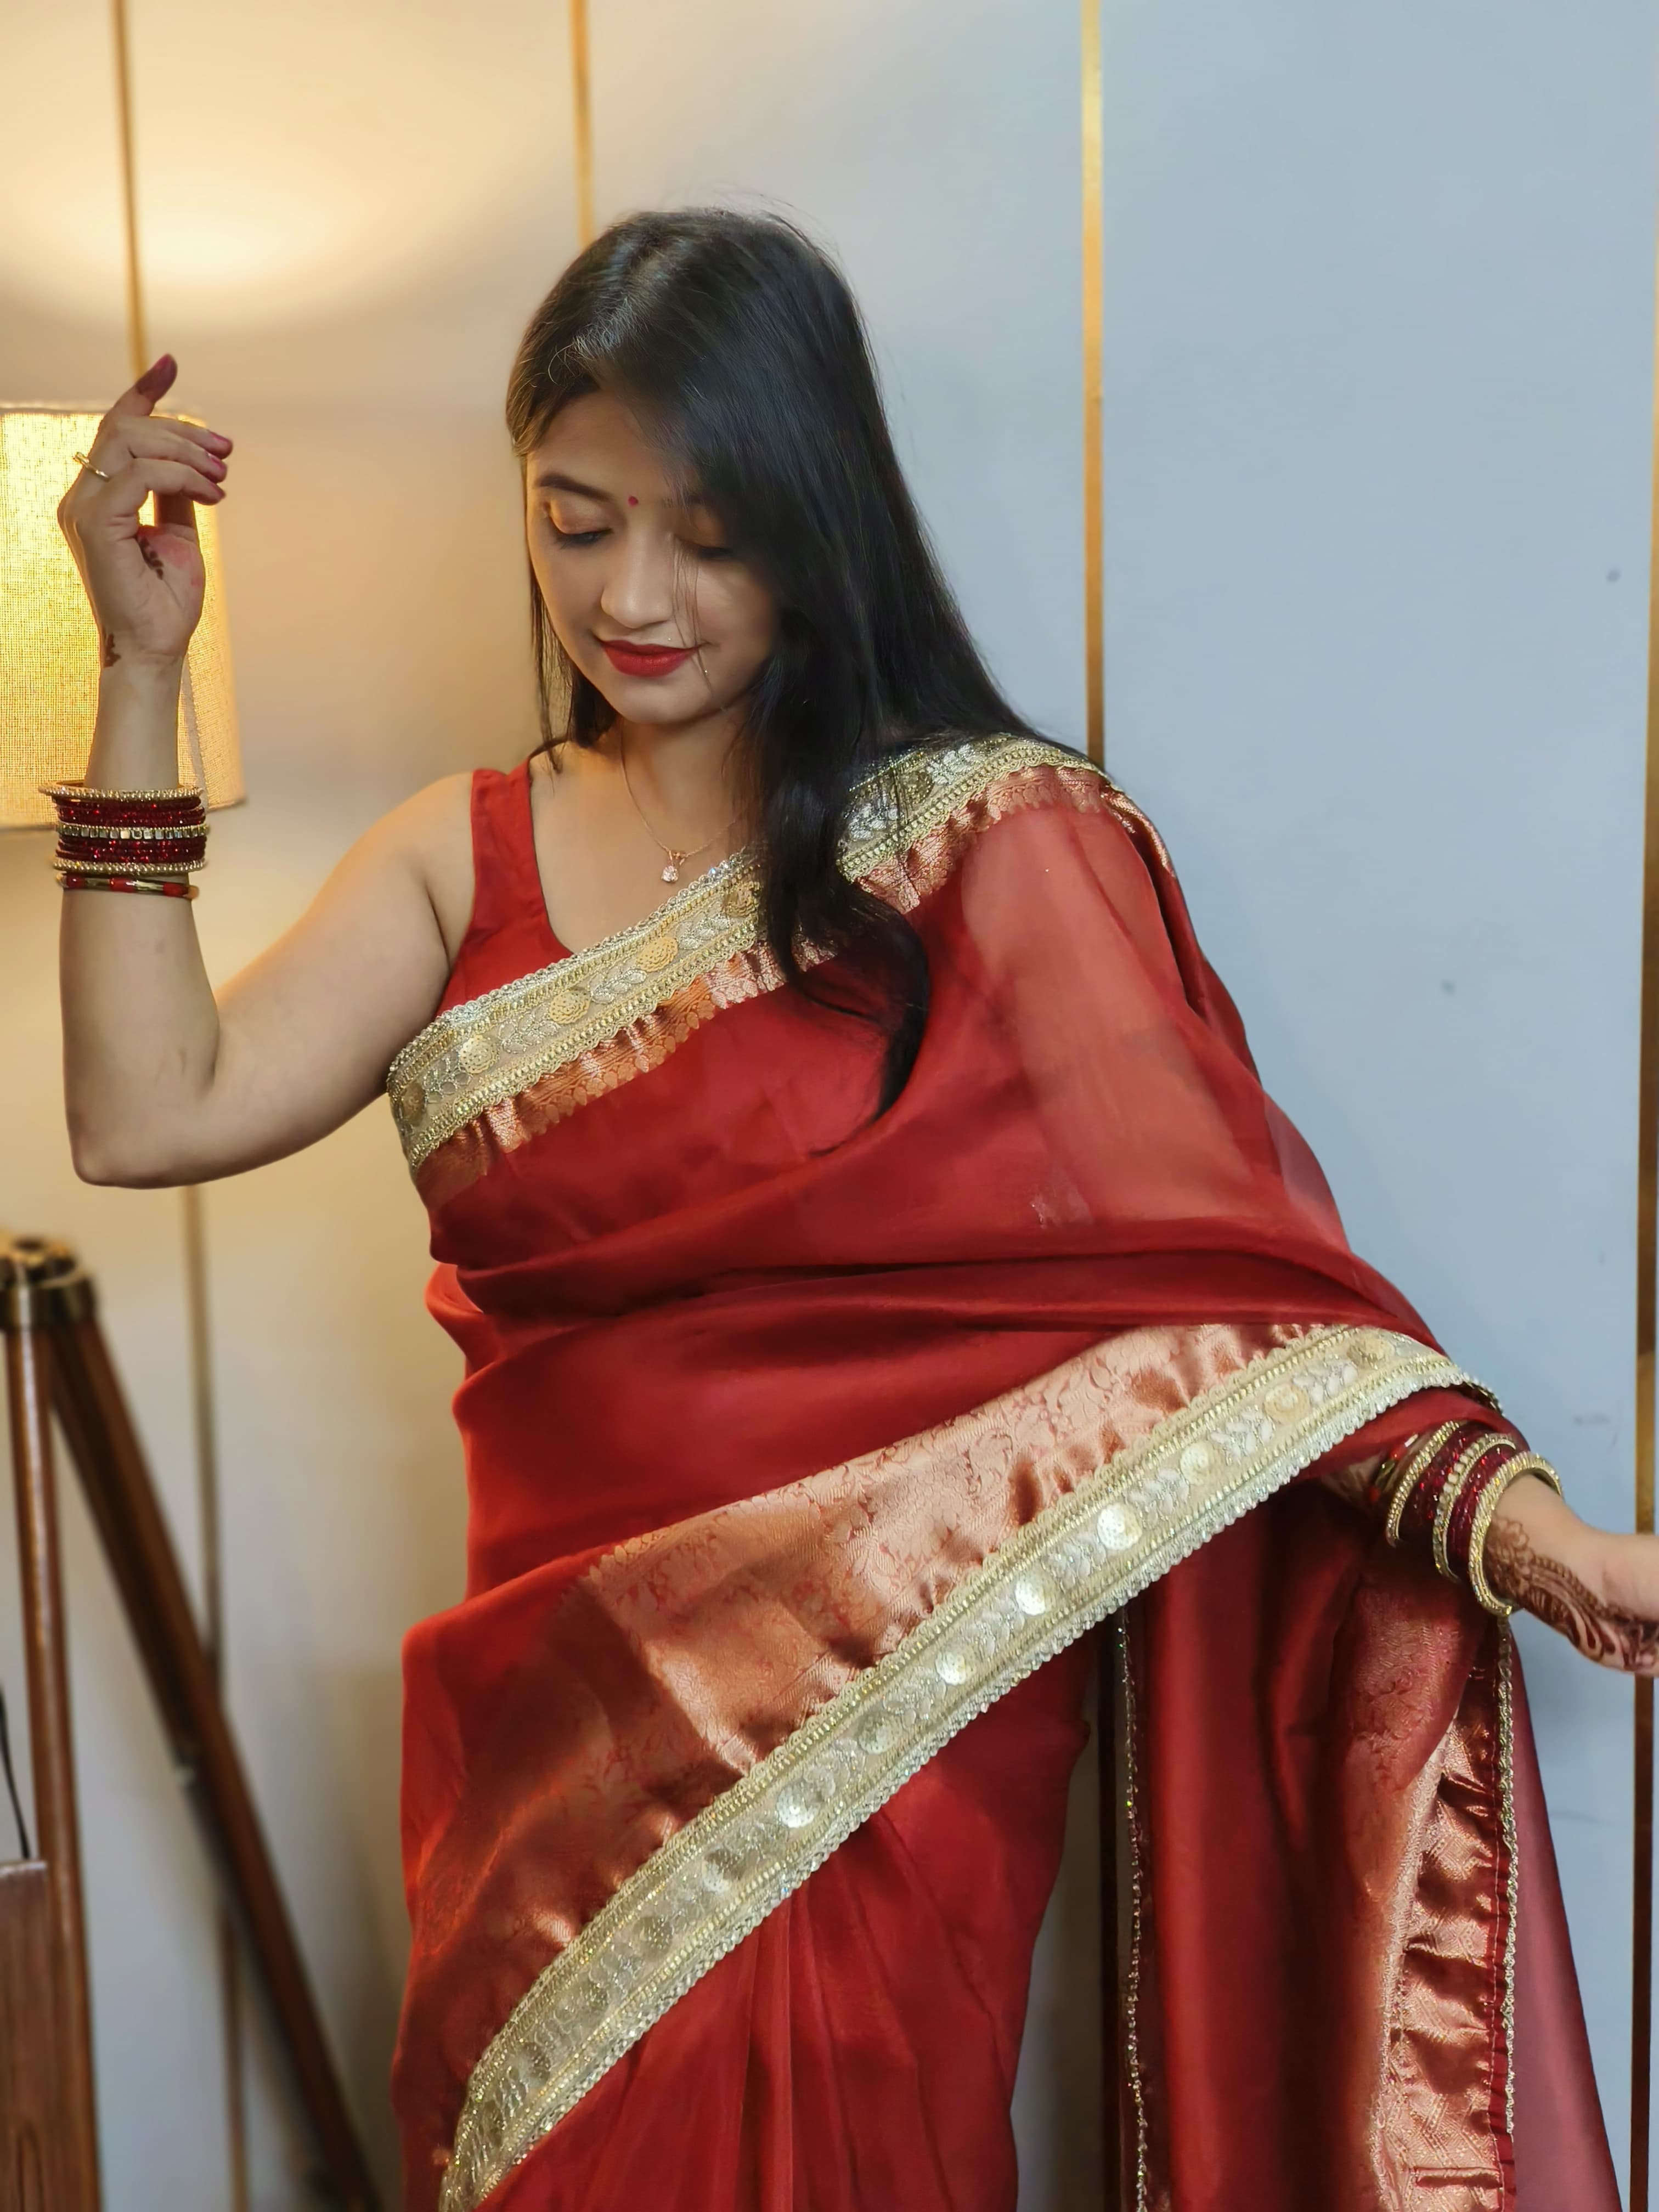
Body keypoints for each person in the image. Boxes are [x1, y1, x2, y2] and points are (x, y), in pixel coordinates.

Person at [52, 209, 1648, 2212]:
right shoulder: (458, 858)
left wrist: (1530, 1531)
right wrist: (137, 670)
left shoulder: (995, 844)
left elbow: (1223, 1287)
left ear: (825, 517)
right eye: (576, 519)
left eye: (709, 533)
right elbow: (145, 1111)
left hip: (886, 1743)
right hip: (548, 1768)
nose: (630, 596)